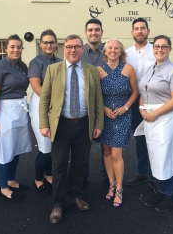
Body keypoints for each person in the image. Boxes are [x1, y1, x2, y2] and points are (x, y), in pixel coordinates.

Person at [39, 34, 104, 224]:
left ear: (82, 49)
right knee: (58, 165)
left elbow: (98, 100)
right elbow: (45, 99)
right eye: (69, 47)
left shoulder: (91, 71)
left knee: (79, 163)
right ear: (63, 49)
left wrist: (98, 124)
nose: (73, 50)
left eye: (76, 47)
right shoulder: (53, 70)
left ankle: (74, 195)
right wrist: (44, 123)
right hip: (61, 125)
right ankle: (58, 203)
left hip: (84, 124)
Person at [137, 35, 173, 212]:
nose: (160, 49)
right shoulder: (149, 69)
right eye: (157, 46)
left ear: (170, 49)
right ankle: (160, 190)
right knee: (156, 156)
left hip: (167, 117)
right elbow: (143, 90)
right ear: (153, 48)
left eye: (164, 46)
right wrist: (142, 109)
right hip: (150, 118)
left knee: (167, 156)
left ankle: (170, 194)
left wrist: (154, 114)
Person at [95, 39, 138, 207]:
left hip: (122, 115)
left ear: (121, 52)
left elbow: (135, 92)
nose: (113, 51)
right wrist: (103, 108)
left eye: (116, 48)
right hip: (105, 115)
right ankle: (111, 184)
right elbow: (95, 95)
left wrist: (126, 107)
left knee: (116, 154)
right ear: (105, 52)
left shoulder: (128, 69)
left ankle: (119, 188)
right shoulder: (98, 70)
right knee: (106, 151)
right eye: (110, 48)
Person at [0, 34, 32, 200]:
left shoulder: (22, 66)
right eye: (12, 47)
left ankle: (12, 180)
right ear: (6, 49)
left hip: (20, 109)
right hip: (4, 111)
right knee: (5, 150)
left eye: (19, 47)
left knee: (16, 148)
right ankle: (3, 185)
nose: (16, 49)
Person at [28, 29, 62, 194]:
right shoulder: (36, 62)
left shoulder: (61, 61)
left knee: (55, 145)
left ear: (56, 44)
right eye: (45, 42)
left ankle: (49, 174)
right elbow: (36, 87)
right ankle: (38, 178)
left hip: (58, 107)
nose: (49, 45)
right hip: (42, 105)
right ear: (40, 44)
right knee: (45, 146)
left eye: (52, 42)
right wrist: (53, 102)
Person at [125, 18, 157, 188]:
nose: (139, 31)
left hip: (154, 102)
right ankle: (142, 173)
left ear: (148, 31)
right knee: (139, 137)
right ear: (132, 32)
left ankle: (155, 175)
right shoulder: (126, 53)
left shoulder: (156, 50)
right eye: (136, 29)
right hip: (134, 101)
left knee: (155, 138)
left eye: (142, 28)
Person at [81, 18, 107, 184]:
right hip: (84, 105)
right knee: (83, 146)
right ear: (86, 33)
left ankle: (108, 177)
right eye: (90, 30)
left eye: (97, 30)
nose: (94, 33)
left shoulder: (110, 50)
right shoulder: (79, 52)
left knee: (108, 145)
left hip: (108, 104)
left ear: (101, 32)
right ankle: (83, 178)